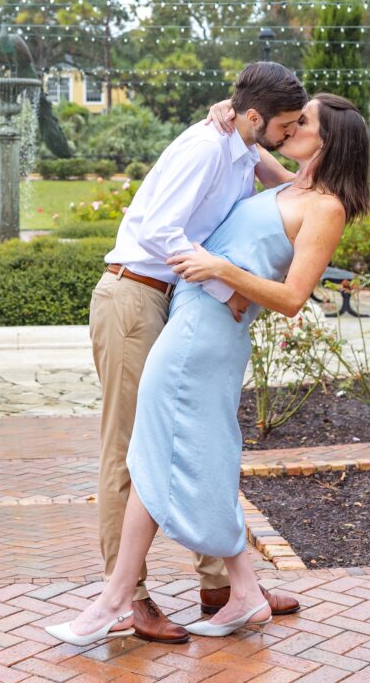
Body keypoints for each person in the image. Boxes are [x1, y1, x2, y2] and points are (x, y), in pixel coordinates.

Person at [46, 93, 370, 645]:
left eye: (304, 123)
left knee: (162, 453)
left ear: (329, 140)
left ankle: (116, 600)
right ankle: (237, 591)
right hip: (187, 318)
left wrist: (222, 272)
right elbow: (251, 134)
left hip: (204, 334)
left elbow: (293, 298)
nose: (291, 128)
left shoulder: (325, 206)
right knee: (190, 453)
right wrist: (229, 109)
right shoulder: (284, 180)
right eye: (291, 119)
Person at [88, 62, 307, 644]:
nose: (288, 133)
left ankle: (223, 587)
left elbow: (293, 182)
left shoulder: (239, 145)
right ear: (256, 117)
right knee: (132, 452)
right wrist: (224, 285)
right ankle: (128, 599)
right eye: (283, 124)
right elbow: (159, 231)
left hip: (175, 302)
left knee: (196, 440)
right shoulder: (206, 149)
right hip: (135, 296)